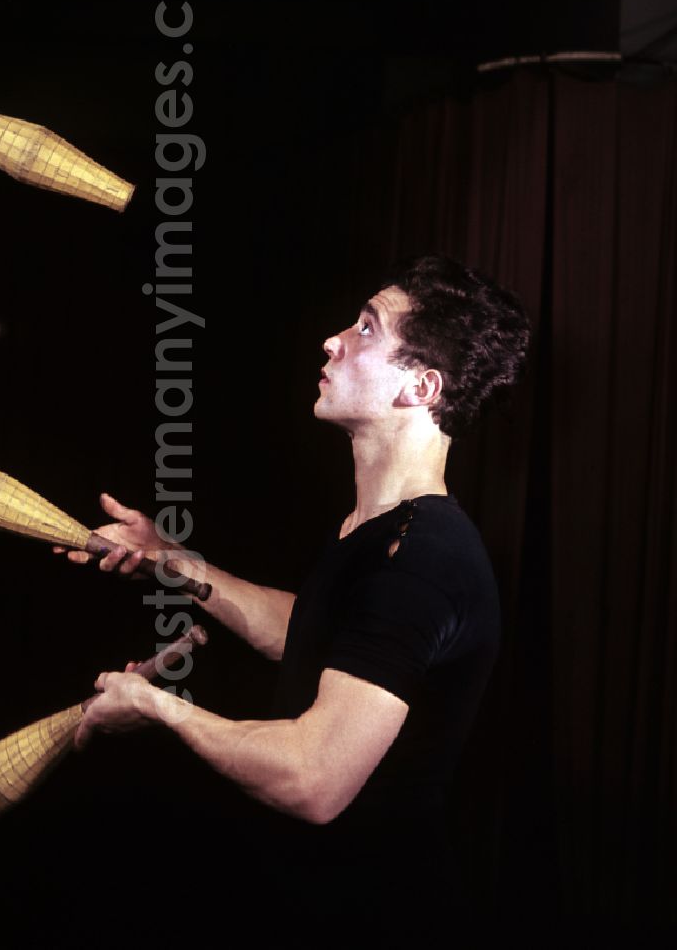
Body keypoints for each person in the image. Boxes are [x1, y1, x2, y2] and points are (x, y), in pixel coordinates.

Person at [57, 255, 530, 942]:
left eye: (367, 330)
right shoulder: (375, 531)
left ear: (421, 387)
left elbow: (313, 778)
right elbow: (320, 632)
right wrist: (174, 565)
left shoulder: (420, 560)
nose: (333, 340)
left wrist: (157, 710)